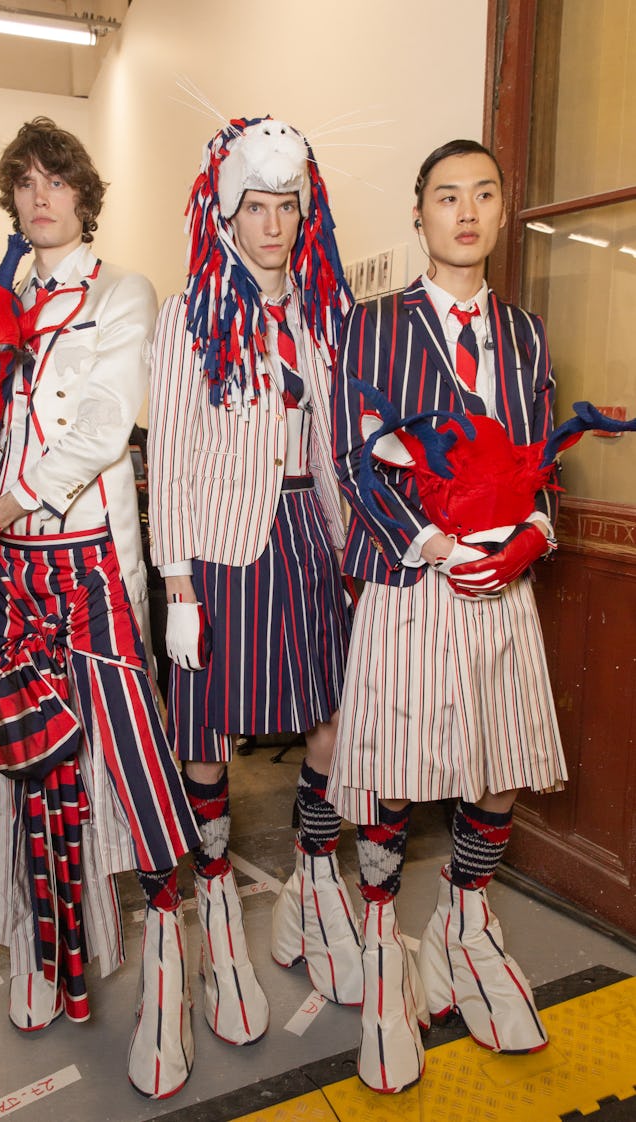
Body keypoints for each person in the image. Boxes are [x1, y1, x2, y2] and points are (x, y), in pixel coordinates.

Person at [0, 118, 201, 1070]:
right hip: (13, 570)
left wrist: (3, 506)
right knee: (29, 763)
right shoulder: (0, 300)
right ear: (12, 198)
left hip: (87, 562)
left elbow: (101, 427)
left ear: (84, 196)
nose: (40, 195)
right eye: (25, 182)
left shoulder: (123, 292)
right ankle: (49, 954)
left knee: (129, 764)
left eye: (58, 180)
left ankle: (170, 950)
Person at [328, 138, 568, 1093]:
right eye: (444, 197)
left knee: (498, 758)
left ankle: (467, 920)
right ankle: (385, 938)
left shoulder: (528, 334)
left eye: (483, 194)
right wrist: (429, 543)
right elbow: (355, 456)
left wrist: (536, 534)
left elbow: (549, 452)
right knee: (395, 767)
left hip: (502, 586)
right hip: (413, 579)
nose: (465, 211)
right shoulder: (375, 324)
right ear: (419, 214)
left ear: (504, 211)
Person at [143, 117, 359, 1094]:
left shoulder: (316, 318)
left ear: (300, 213)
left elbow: (328, 451)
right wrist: (175, 583)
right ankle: (218, 893)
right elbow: (172, 460)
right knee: (206, 736)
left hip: (305, 539)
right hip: (220, 555)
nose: (271, 224)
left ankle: (315, 879)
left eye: (286, 207)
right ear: (228, 211)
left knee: (330, 719)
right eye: (256, 206)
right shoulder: (191, 312)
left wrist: (355, 545)